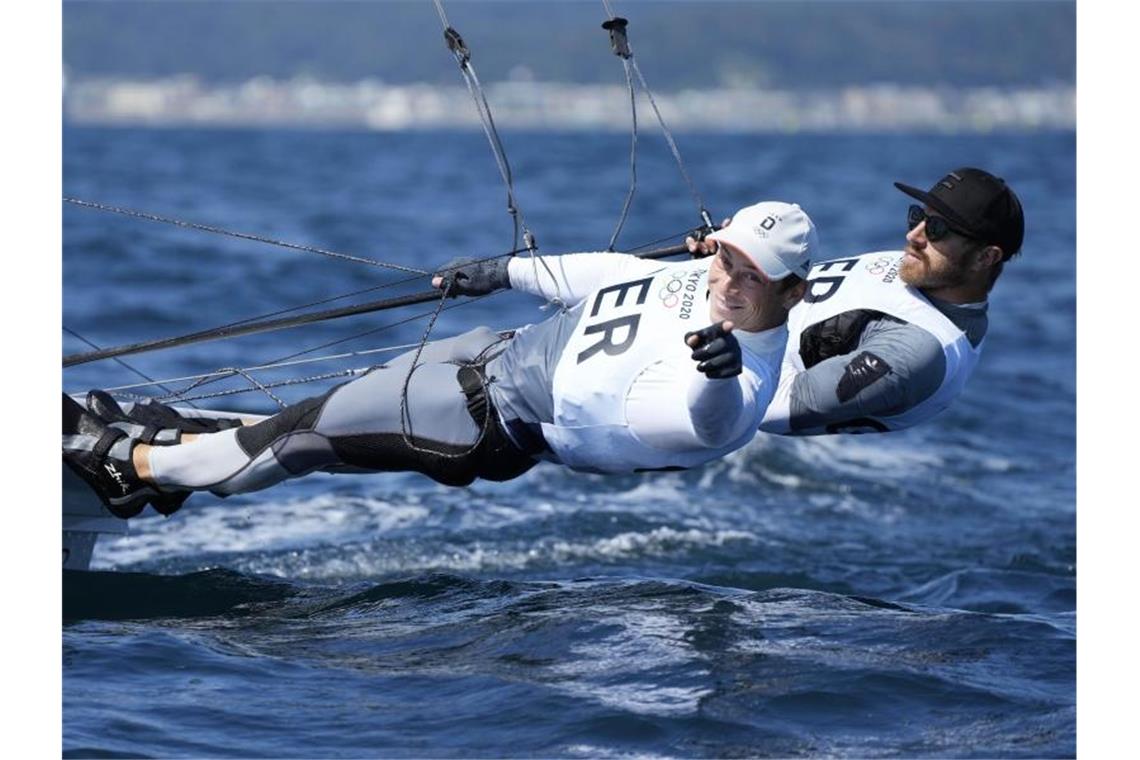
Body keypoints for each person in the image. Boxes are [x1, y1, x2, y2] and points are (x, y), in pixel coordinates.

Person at [63, 200, 819, 518]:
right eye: (726, 259)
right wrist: (503, 274)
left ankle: (134, 472)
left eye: (752, 278)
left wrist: (714, 375)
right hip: (489, 355)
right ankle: (182, 454)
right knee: (318, 422)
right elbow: (614, 276)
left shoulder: (740, 381)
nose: (729, 283)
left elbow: (705, 425)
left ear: (792, 289)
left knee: (308, 436)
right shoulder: (702, 274)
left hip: (490, 422)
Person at [748, 167, 1024, 435]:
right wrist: (732, 251)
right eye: (918, 217)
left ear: (985, 258)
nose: (914, 236)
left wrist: (739, 326)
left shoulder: (919, 351)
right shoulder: (922, 268)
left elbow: (769, 410)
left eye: (938, 228)